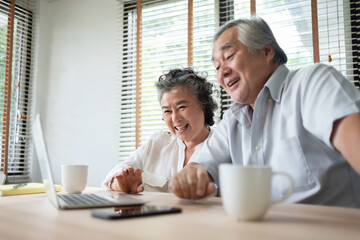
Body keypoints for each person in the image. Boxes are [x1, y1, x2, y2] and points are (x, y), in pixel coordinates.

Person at [169, 17, 360, 208]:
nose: (222, 73)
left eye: (229, 57)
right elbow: (199, 167)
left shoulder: (313, 83)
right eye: (217, 66)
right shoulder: (232, 119)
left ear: (267, 51)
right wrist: (190, 177)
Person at [102, 68, 218, 193]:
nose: (175, 118)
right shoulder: (158, 142)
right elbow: (114, 174)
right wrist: (122, 185)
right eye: (167, 111)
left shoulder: (222, 146)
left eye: (182, 107)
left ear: (203, 104)